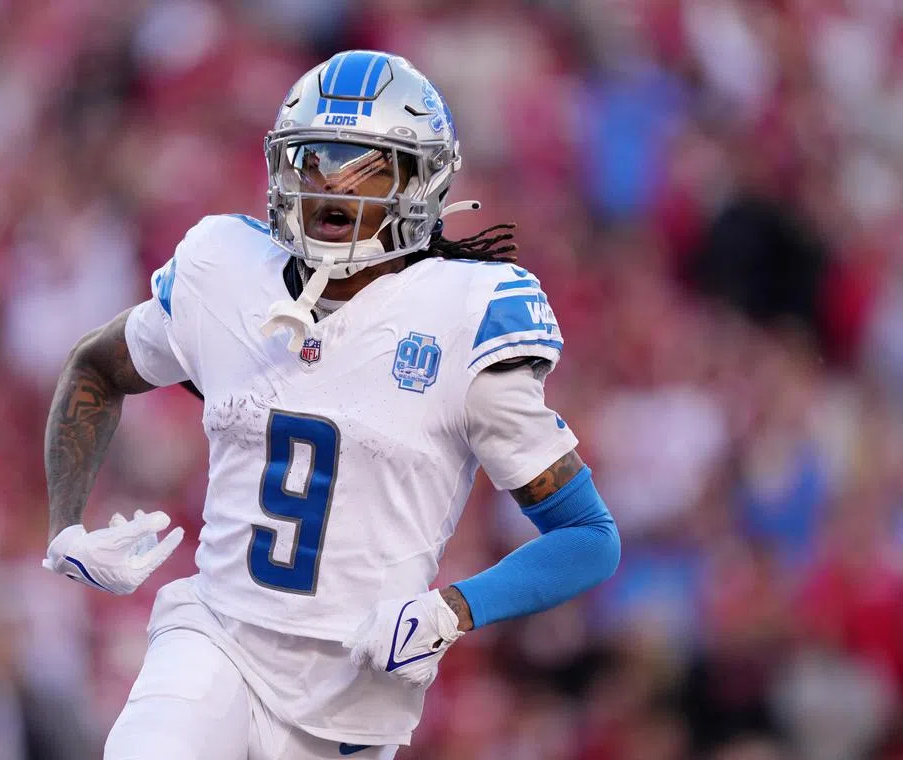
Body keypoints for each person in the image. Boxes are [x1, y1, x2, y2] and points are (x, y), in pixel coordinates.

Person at [41, 50, 621, 760]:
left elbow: (588, 537)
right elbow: (96, 364)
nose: (335, 190)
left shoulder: (465, 314)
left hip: (351, 690)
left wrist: (452, 609)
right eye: (315, 162)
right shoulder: (224, 269)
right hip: (216, 634)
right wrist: (66, 525)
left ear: (423, 180)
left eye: (368, 167)